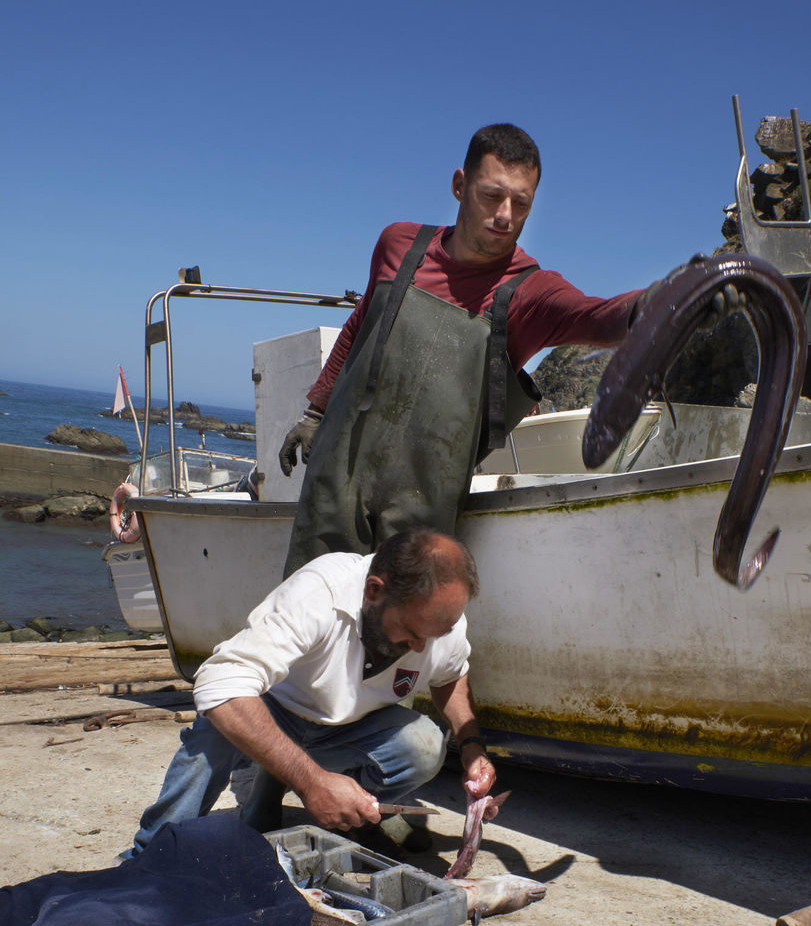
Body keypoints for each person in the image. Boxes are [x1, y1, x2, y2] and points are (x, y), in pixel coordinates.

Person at [279, 122, 644, 575]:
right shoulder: (398, 245)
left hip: (424, 508)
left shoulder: (529, 292)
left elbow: (598, 316)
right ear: (459, 185)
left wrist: (668, 301)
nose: (506, 215)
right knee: (311, 618)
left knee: (402, 637)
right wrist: (315, 414)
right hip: (340, 478)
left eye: (521, 203)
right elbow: (359, 328)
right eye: (492, 195)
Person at [122, 528, 494, 858]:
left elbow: (451, 675)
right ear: (374, 591)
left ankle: (350, 820)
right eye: (411, 632)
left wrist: (472, 745)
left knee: (424, 745)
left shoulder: (439, 624)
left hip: (349, 726)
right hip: (274, 712)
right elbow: (220, 684)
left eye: (433, 636)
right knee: (215, 730)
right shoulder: (321, 591)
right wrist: (311, 781)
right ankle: (152, 851)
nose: (419, 648)